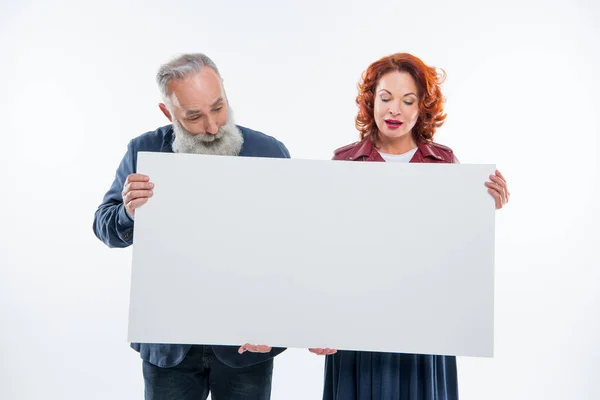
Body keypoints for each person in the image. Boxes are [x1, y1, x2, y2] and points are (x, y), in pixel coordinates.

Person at [308, 52, 510, 400]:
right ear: (371, 101)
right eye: (385, 98)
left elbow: (456, 248)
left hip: (425, 323)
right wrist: (321, 322)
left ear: (423, 107)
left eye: (407, 100)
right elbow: (328, 252)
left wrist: (487, 208)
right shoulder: (344, 162)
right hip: (358, 321)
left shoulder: (444, 163)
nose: (394, 110)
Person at [93, 53, 289, 400]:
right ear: (168, 112)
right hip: (170, 345)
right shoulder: (144, 150)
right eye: (194, 116)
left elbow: (293, 246)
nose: (212, 126)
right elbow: (105, 228)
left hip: (245, 342)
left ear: (225, 91)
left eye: (219, 107)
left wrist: (277, 322)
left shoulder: (269, 151)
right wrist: (127, 211)